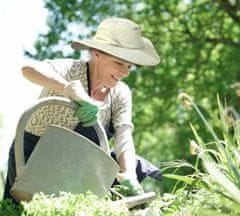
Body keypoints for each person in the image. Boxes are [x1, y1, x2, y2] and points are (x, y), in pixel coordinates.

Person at [4, 17, 161, 202]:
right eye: (119, 63)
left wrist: (129, 175)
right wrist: (69, 89)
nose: (125, 72)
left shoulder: (120, 93)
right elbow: (28, 69)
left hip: (75, 166)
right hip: (32, 158)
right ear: (97, 53)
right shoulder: (70, 69)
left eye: (129, 66)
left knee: (134, 166)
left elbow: (124, 135)